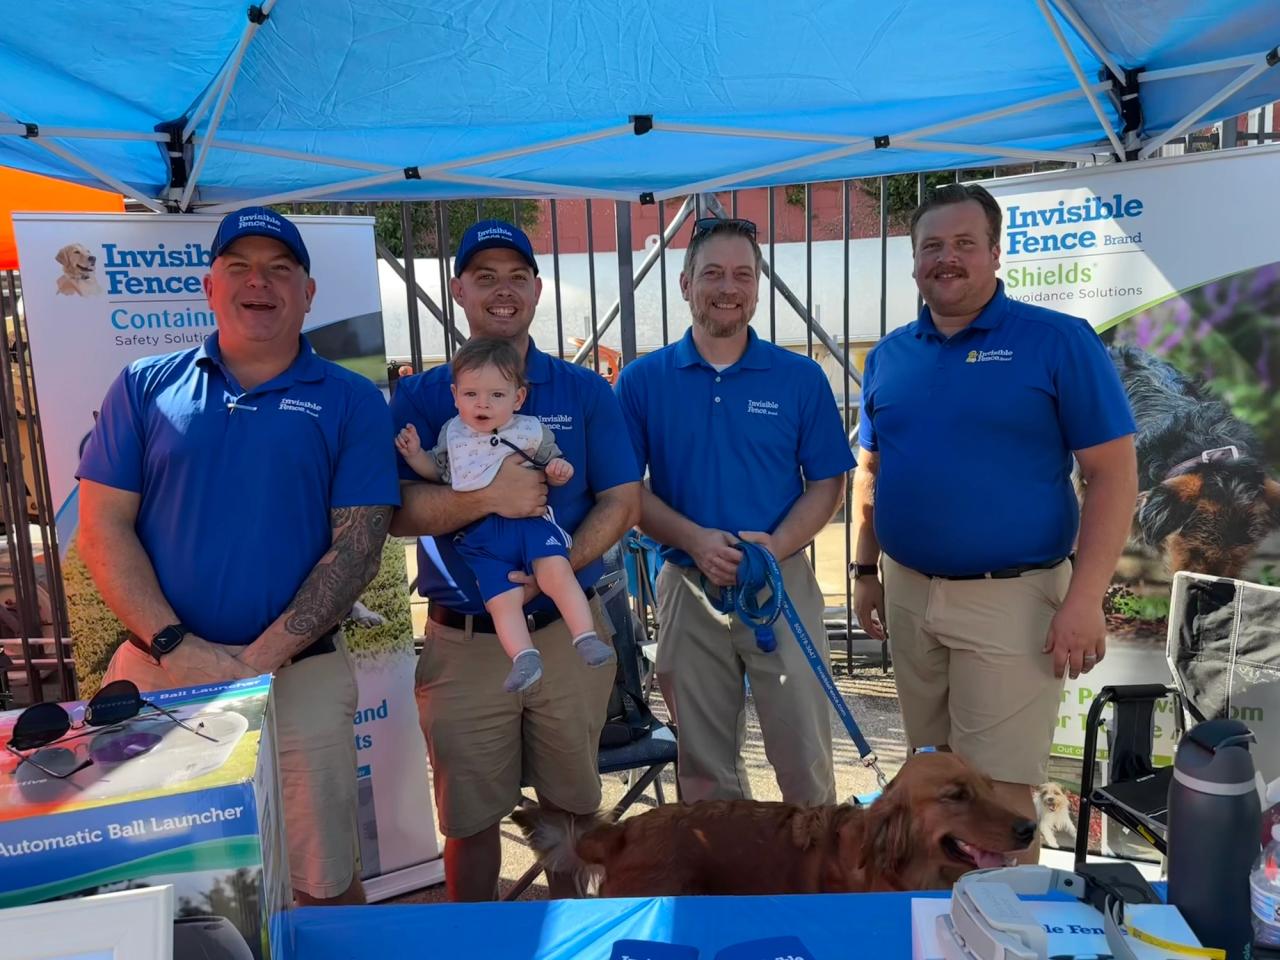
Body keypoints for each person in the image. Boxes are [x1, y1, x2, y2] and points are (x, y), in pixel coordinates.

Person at [76, 206, 399, 906]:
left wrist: (249, 668)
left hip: (300, 677)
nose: (260, 282)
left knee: (323, 881)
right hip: (158, 672)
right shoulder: (142, 385)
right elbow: (101, 530)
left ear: (308, 293)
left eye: (280, 269)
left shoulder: (351, 399)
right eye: (240, 267)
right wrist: (177, 647)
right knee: (160, 885)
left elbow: (358, 549)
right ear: (209, 286)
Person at [852, 183, 1138, 859]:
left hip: (1012, 599)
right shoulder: (889, 356)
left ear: (995, 252)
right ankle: (942, 914)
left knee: (999, 803)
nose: (946, 258)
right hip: (909, 593)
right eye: (931, 246)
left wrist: (1085, 600)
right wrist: (864, 571)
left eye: (964, 243)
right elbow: (871, 470)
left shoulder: (1057, 342)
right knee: (932, 788)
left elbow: (1113, 475)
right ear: (914, 260)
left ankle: (1002, 917)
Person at [388, 219, 641, 901]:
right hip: (465, 641)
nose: (503, 291)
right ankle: (476, 943)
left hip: (564, 633)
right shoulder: (422, 396)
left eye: (516, 277)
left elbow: (623, 499)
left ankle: (571, 938)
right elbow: (395, 510)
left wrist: (554, 568)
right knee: (469, 823)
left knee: (570, 813)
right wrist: (487, 498)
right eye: (485, 277)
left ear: (536, 289)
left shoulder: (583, 390)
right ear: (458, 290)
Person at [615, 217, 853, 807]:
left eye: (743, 275)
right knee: (703, 768)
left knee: (804, 752)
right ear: (685, 283)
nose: (728, 288)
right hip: (685, 583)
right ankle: (725, 866)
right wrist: (694, 540)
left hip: (781, 581)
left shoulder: (800, 378)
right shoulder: (642, 382)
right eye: (713, 273)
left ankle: (812, 862)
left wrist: (777, 546)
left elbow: (828, 482)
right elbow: (625, 492)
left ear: (758, 286)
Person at [395, 336, 616, 692]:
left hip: (530, 525)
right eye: (471, 394)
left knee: (557, 572)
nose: (482, 403)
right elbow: (439, 472)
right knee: (501, 599)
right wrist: (415, 455)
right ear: (455, 396)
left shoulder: (528, 430)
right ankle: (523, 657)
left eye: (496, 395)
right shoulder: (452, 434)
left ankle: (585, 636)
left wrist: (558, 470)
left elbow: (552, 460)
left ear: (518, 398)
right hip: (481, 537)